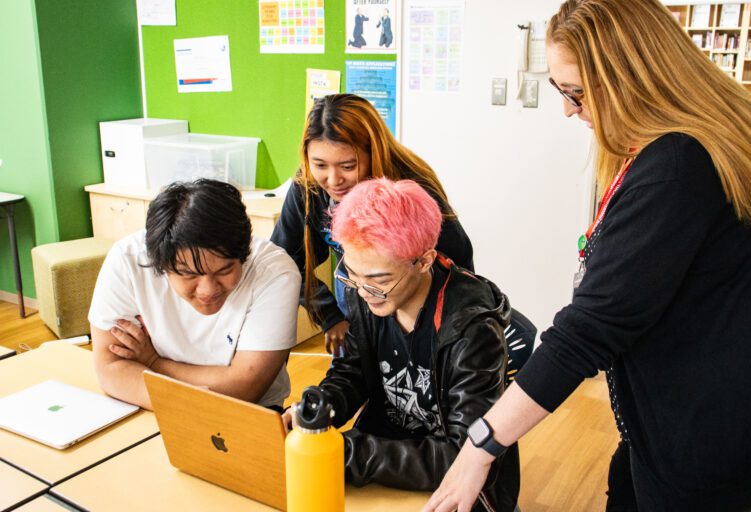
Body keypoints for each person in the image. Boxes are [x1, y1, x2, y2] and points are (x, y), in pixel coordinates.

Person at [425, 0, 751, 511]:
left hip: (698, 433)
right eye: (561, 92)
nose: (568, 110)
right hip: (684, 415)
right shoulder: (689, 147)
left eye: (577, 94)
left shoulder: (675, 167)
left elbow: (586, 332)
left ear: (635, 76)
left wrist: (482, 445)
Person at [283, 178, 520, 510]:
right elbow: (353, 372)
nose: (363, 292)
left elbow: (461, 454)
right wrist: (320, 409)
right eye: (351, 273)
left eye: (379, 280)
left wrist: (349, 453)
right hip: (386, 455)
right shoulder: (365, 293)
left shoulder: (472, 330)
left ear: (423, 261)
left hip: (453, 479)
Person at [270, 93, 473, 356]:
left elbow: (458, 263)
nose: (333, 180)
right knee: (354, 372)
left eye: (348, 165)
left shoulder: (410, 192)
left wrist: (441, 332)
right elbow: (283, 258)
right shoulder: (307, 186)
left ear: (373, 153)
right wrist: (329, 315)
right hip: (356, 289)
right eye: (319, 164)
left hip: (412, 301)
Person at [89, 179, 301, 411]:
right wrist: (181, 399)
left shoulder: (275, 272)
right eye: (188, 274)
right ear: (158, 262)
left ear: (245, 253)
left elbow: (244, 387)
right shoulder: (128, 260)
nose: (208, 290)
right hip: (148, 408)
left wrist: (152, 363)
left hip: (248, 413)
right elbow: (110, 366)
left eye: (224, 270)